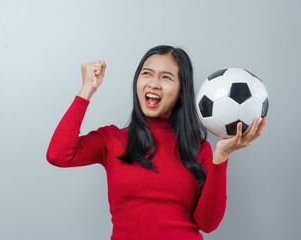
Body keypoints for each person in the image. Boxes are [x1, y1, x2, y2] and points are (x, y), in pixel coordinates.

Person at [46, 45, 267, 240]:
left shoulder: (198, 148)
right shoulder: (111, 140)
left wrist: (221, 158)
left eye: (166, 77)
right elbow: (58, 154)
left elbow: (208, 224)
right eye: (147, 74)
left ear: (181, 91)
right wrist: (87, 89)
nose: (154, 84)